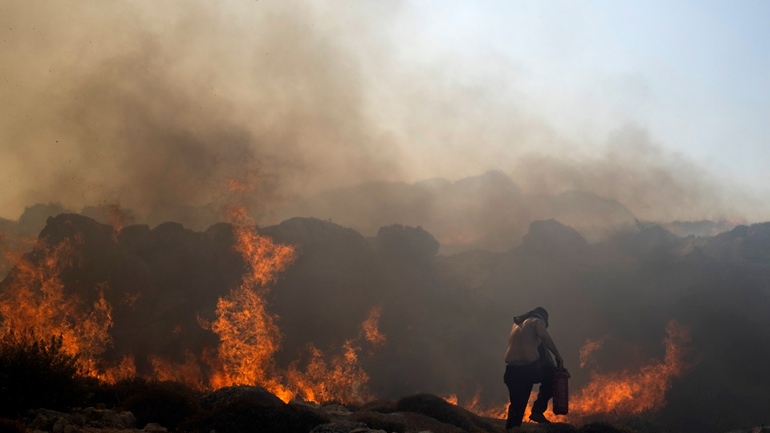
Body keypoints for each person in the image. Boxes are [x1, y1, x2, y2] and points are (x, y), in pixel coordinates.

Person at [503, 307, 567, 428]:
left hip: (511, 371)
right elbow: (544, 336)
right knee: (554, 377)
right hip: (527, 370)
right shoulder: (537, 321)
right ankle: (537, 411)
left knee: (517, 406)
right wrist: (558, 356)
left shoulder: (516, 325)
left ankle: (511, 429)